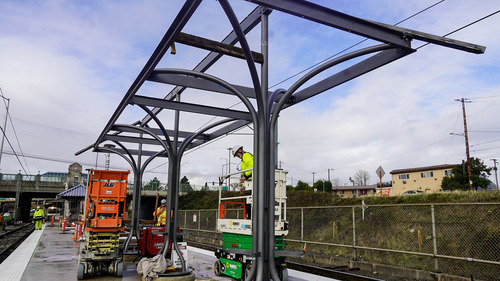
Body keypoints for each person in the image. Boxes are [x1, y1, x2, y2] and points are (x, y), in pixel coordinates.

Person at [232, 145, 253, 219]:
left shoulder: (246, 156)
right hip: (248, 183)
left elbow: (252, 166)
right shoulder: (243, 159)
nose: (237, 156)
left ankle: (251, 217)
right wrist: (243, 186)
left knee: (249, 201)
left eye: (236, 154)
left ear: (240, 150)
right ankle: (250, 216)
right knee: (248, 201)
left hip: (252, 181)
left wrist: (245, 176)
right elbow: (245, 172)